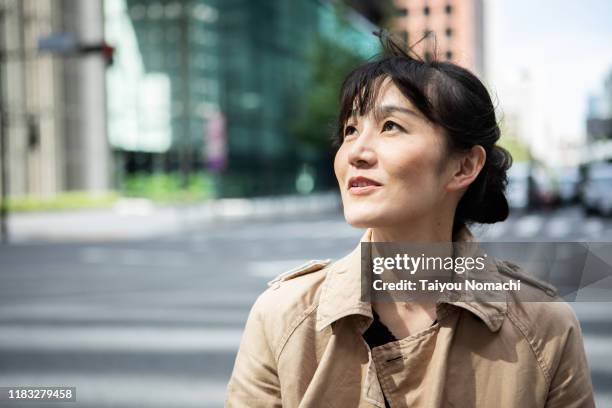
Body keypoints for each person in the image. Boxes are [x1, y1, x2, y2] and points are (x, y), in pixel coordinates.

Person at [225, 32, 595, 407]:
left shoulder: (543, 329)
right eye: (350, 130)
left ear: (463, 166)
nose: (356, 152)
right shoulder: (283, 317)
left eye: (390, 126)